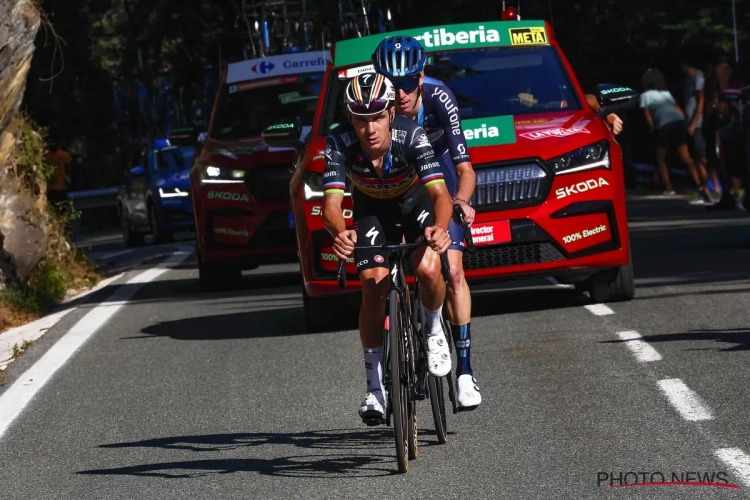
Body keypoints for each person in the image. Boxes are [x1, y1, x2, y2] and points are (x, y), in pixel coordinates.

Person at [322, 72, 453, 422]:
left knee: (427, 267)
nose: (370, 129)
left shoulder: (411, 135)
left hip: (414, 202)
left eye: (378, 117)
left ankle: (435, 328)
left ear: (391, 113)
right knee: (372, 284)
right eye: (361, 120)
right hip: (371, 210)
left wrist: (440, 229)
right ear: (351, 118)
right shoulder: (338, 143)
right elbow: (331, 205)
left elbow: (440, 194)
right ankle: (375, 389)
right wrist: (340, 231)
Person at [371, 35, 482, 410]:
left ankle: (465, 373)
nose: (399, 93)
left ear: (421, 77)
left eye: (407, 83)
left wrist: (461, 201)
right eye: (391, 83)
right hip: (397, 186)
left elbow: (464, 167)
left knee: (451, 270)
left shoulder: (439, 98)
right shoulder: (374, 107)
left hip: (437, 181)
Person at [639, 68, 703, 197]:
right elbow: (677, 108)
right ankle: (700, 184)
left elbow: (647, 114)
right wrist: (685, 123)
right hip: (678, 123)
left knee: (661, 159)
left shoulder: (645, 96)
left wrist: (653, 129)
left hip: (664, 126)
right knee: (686, 158)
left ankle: (669, 187)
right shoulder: (665, 93)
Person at [680, 60, 716, 203]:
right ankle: (705, 191)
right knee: (695, 158)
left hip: (698, 125)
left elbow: (701, 101)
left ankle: (712, 190)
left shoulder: (698, 77)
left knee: (702, 159)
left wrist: (694, 123)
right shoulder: (688, 80)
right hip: (690, 123)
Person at [44, 140, 72, 207]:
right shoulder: (64, 155)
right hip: (61, 186)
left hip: (50, 187)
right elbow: (68, 168)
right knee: (62, 208)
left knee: (51, 207)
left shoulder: (45, 156)